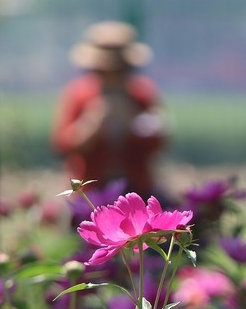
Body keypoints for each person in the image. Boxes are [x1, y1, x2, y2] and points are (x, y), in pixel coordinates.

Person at [51, 22, 167, 197]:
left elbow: (158, 141)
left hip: (137, 187)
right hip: (92, 189)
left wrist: (133, 122)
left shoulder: (142, 94)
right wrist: (92, 123)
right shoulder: (79, 94)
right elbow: (62, 145)